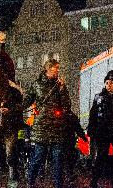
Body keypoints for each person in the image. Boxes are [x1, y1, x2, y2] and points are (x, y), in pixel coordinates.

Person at [23, 59, 71, 188]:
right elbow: (26, 102)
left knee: (58, 161)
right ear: (47, 69)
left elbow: (67, 105)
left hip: (57, 128)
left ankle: (58, 185)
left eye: (58, 68)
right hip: (41, 128)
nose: (58, 71)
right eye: (55, 68)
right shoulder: (37, 84)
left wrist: (62, 89)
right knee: (38, 157)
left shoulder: (60, 86)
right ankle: (30, 181)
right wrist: (12, 109)